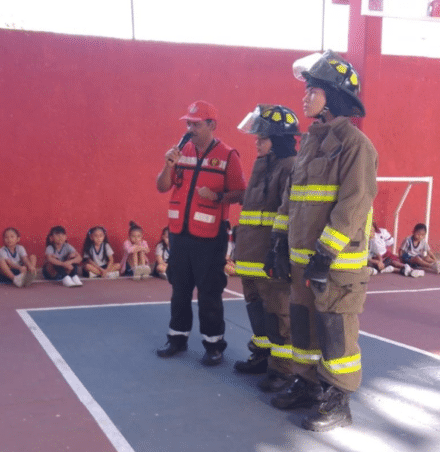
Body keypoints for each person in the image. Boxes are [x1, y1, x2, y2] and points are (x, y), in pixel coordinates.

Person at [266, 50, 378, 432]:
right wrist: (279, 242)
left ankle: (337, 400)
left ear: (332, 94)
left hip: (335, 264)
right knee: (304, 325)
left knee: (335, 330)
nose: (305, 97)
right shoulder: (311, 143)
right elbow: (291, 198)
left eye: (312, 89)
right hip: (302, 260)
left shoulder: (356, 145)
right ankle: (307, 382)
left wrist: (325, 253)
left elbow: (354, 204)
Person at [155, 100, 246, 366]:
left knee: (209, 291)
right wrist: (168, 165)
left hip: (210, 237)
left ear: (211, 125)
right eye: (188, 123)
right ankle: (177, 338)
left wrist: (217, 196)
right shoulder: (180, 151)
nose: (190, 128)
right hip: (180, 235)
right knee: (179, 289)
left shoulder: (228, 155)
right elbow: (162, 187)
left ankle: (214, 344)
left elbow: (240, 192)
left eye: (195, 124)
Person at [232, 105, 299, 392]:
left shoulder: (290, 166)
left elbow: (288, 214)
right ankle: (261, 355)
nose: (256, 142)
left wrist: (279, 251)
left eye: (262, 137)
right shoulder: (263, 164)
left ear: (278, 139)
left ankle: (282, 370)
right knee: (256, 309)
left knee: (278, 313)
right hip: (250, 255)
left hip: (270, 255)